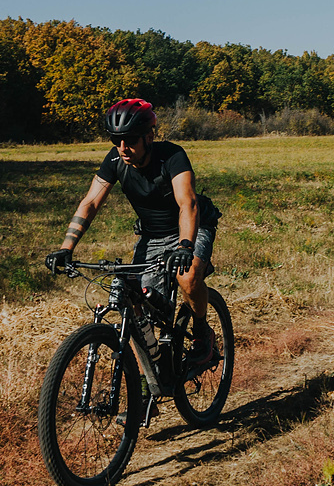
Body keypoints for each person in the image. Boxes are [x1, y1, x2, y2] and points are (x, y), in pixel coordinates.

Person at [45, 98, 221, 364]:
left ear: (149, 137)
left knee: (187, 277)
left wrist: (185, 245)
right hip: (152, 234)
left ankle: (201, 333)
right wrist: (66, 248)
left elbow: (188, 203)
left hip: (192, 226)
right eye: (117, 141)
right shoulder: (115, 160)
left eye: (130, 140)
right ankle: (153, 375)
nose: (123, 148)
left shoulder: (172, 156)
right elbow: (91, 202)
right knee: (138, 300)